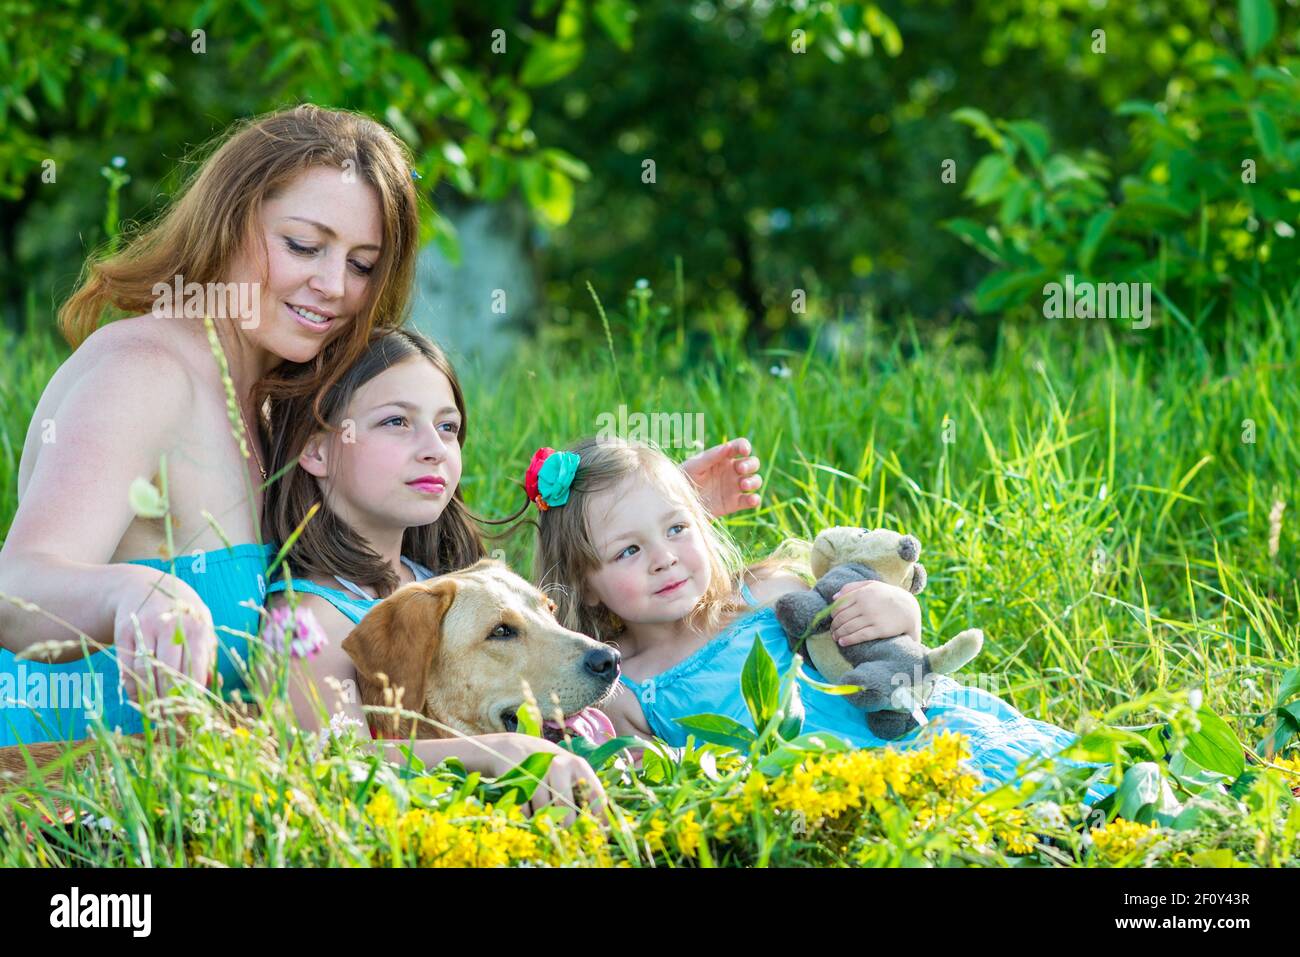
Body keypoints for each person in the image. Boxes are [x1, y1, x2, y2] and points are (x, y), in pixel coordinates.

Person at [0, 104, 422, 744]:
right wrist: (133, 594)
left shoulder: (287, 406)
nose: (334, 284)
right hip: (57, 808)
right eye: (304, 246)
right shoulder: (144, 371)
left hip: (198, 814)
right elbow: (16, 588)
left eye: (362, 264)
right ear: (229, 220)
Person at [260, 328, 768, 818]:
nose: (435, 447)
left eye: (448, 426)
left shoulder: (439, 574)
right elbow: (329, 760)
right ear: (317, 447)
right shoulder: (308, 619)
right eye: (397, 422)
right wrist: (502, 751)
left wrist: (667, 504)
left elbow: (563, 592)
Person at [526, 436, 1115, 805]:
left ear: (702, 526)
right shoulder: (623, 686)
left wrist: (895, 610)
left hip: (917, 735)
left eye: (677, 528)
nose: (664, 557)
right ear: (584, 583)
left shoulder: (768, 594)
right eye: (628, 551)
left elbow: (885, 652)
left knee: (1064, 792)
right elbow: (653, 781)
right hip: (826, 798)